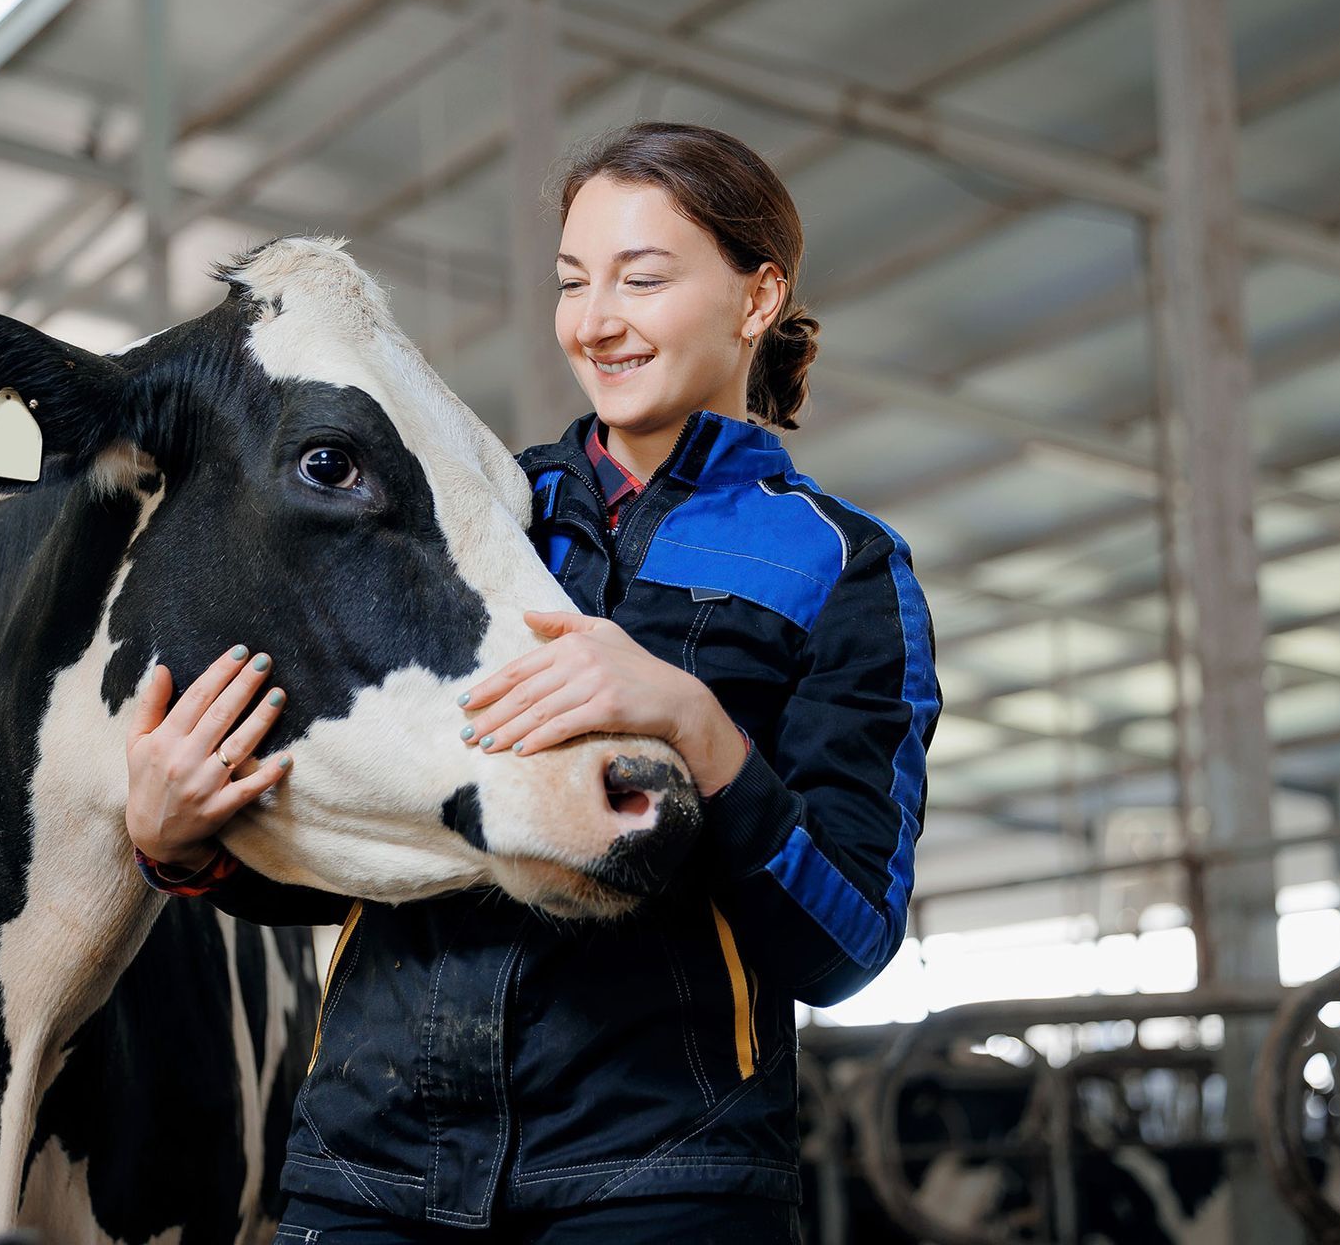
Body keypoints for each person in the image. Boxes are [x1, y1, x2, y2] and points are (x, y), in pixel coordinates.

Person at [124, 121, 941, 1243]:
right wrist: (186, 847)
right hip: (368, 1170)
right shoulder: (460, 506)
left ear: (757, 299)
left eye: (641, 278)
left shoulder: (840, 567)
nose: (596, 321)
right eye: (572, 282)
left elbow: (845, 942)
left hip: (655, 1184)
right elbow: (362, 857)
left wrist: (696, 724)